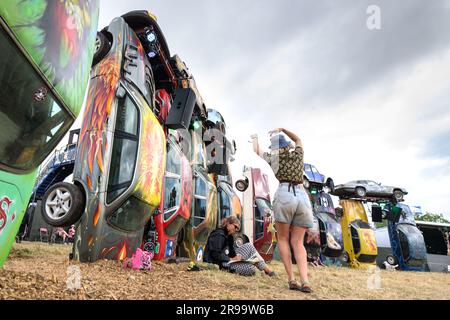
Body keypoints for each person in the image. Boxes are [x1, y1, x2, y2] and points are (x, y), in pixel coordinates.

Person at [251, 128, 314, 293]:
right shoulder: (297, 155)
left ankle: (292, 279)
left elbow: (256, 150)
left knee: (283, 239)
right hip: (301, 195)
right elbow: (298, 139)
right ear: (287, 146)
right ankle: (305, 281)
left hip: (284, 194)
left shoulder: (273, 158)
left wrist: (255, 137)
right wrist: (283, 130)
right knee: (298, 243)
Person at [203, 216, 275, 277]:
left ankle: (266, 269)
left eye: (238, 229)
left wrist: (236, 257)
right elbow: (215, 255)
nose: (236, 230)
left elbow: (232, 253)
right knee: (251, 268)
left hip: (227, 261)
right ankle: (264, 269)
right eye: (235, 227)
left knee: (249, 246)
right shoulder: (218, 234)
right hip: (220, 264)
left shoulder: (229, 236)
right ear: (228, 224)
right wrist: (231, 259)